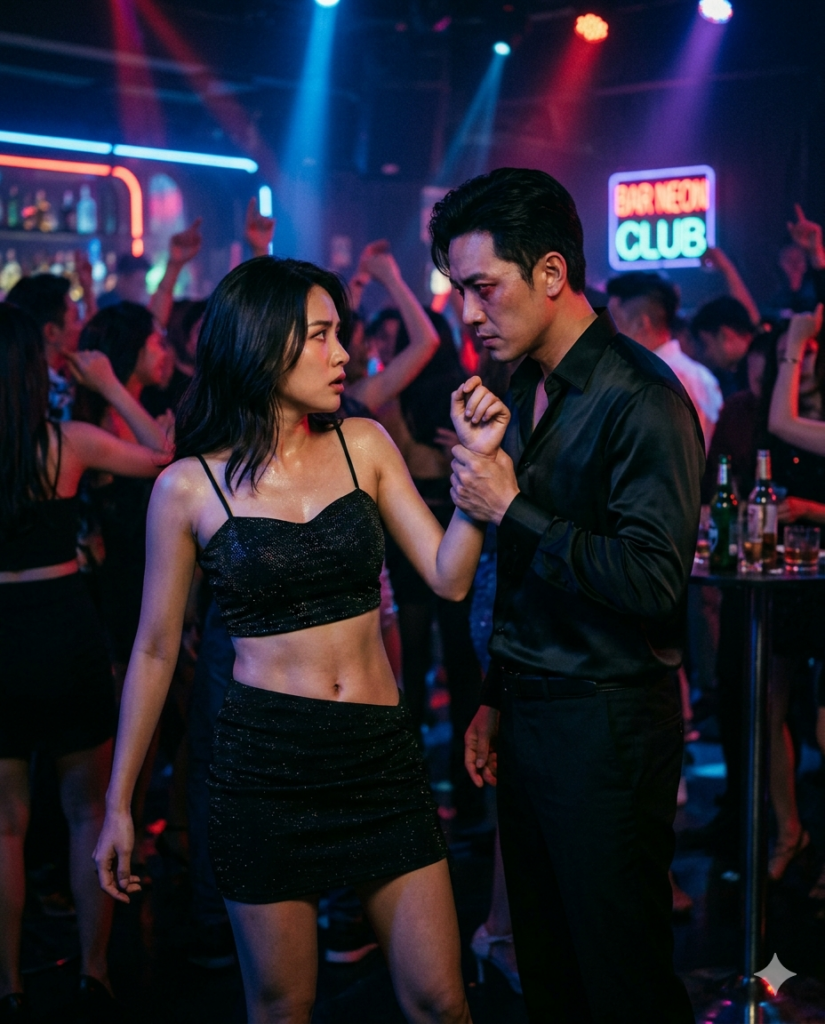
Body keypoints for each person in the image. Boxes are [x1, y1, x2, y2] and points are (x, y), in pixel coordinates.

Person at [93, 255, 510, 1024]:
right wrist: (119, 802)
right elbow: (154, 651)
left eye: (338, 333)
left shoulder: (364, 443)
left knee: (441, 1001)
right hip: (265, 768)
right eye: (321, 335)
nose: (343, 353)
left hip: (378, 756)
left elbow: (448, 577)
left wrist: (479, 470)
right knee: (284, 1007)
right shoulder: (187, 487)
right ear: (263, 344)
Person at [430, 167, 704, 1023]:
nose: (467, 313)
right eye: (459, 290)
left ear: (550, 273)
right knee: (545, 969)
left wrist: (510, 505)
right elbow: (524, 577)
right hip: (533, 710)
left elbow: (653, 581)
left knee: (619, 978)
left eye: (482, 287)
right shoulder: (525, 385)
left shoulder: (641, 396)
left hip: (608, 725)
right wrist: (493, 696)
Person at [0, 304, 168, 1021]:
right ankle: (93, 973)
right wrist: (109, 383)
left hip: (3, 634)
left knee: (5, 826)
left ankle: (8, 985)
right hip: (64, 630)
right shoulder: (65, 442)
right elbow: (161, 455)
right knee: (88, 812)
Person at [606, 270, 723, 452]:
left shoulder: (652, 381)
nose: (607, 332)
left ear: (641, 324)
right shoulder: (701, 377)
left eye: (614, 321)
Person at [6, 273, 83, 421]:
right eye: (77, 318)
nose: (83, 327)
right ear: (51, 332)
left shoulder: (14, 385)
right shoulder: (55, 398)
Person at [691, 295, 756, 398]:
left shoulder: (758, 372)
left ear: (725, 334)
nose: (706, 354)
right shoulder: (735, 375)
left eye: (705, 344)